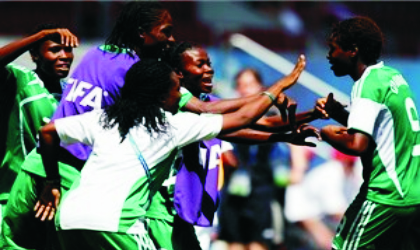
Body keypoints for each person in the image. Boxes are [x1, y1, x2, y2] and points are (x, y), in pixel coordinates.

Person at [34, 57, 309, 249]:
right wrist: (280, 86)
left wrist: (52, 182)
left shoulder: (105, 118)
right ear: (160, 95)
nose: (181, 95)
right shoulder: (171, 126)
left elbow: (47, 131)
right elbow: (242, 118)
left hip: (68, 220)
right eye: (176, 89)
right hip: (116, 223)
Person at [146, 41, 319, 250]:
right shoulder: (175, 103)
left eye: (209, 63)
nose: (209, 69)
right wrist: (276, 89)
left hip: (195, 207)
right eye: (200, 65)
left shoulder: (210, 102)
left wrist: (313, 115)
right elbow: (229, 116)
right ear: (179, 73)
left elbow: (261, 123)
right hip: (167, 208)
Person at [316, 16, 420, 250]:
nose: (329, 56)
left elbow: (357, 144)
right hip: (414, 195)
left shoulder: (366, 84)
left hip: (385, 195)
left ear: (353, 51)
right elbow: (381, 131)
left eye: (333, 49)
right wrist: (338, 113)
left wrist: (326, 133)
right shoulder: (391, 76)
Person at [0, 23, 78, 249]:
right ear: (35, 55)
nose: (65, 56)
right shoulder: (20, 81)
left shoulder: (72, 93)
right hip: (11, 198)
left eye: (68, 50)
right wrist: (40, 36)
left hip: (53, 202)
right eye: (55, 49)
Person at [284, 148, 361, 250]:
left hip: (320, 212)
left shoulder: (350, 175)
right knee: (330, 243)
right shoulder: (333, 172)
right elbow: (336, 210)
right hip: (300, 208)